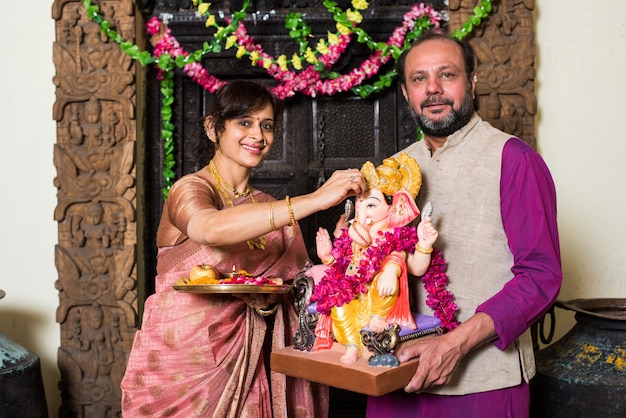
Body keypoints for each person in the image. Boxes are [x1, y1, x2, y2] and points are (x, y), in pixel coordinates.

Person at [120, 80, 367, 417]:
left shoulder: (268, 207)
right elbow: (209, 229)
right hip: (187, 363)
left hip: (257, 360)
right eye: (244, 122)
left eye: (266, 125)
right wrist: (314, 199)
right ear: (213, 128)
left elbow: (304, 288)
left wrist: (342, 248)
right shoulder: (190, 189)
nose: (258, 135)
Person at [367, 30, 562, 418]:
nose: (433, 89)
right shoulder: (391, 171)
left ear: (471, 83)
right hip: (394, 379)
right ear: (406, 92)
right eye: (419, 79)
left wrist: (455, 344)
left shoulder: (514, 159)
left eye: (447, 75)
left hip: (483, 384)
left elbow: (541, 276)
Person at [310, 154, 439, 365]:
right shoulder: (355, 235)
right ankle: (352, 344)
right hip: (354, 294)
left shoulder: (391, 234)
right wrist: (327, 258)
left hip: (380, 301)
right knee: (337, 303)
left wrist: (424, 245)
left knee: (386, 276)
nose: (362, 211)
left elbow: (415, 268)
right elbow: (344, 269)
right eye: (360, 204)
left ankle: (377, 318)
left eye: (371, 205)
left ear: (394, 208)